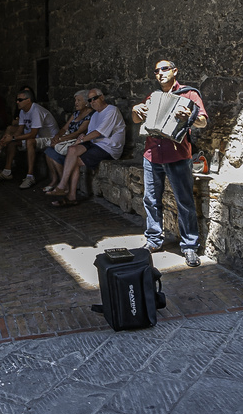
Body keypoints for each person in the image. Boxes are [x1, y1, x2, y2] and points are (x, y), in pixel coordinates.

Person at [132, 59, 208, 267]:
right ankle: (154, 240)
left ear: (175, 71)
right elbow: (137, 120)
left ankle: (190, 246)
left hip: (178, 155)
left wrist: (190, 117)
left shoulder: (190, 94)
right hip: (152, 154)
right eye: (157, 71)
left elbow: (203, 121)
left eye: (165, 69)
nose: (160, 73)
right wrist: (136, 109)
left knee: (184, 201)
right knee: (151, 199)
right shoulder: (152, 97)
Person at [48, 88, 125, 206]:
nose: (92, 102)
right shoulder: (95, 115)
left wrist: (82, 139)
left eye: (94, 98)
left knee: (76, 161)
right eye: (90, 100)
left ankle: (69, 193)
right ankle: (63, 187)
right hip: (95, 143)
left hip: (109, 147)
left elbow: (98, 133)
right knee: (72, 150)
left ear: (102, 97)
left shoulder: (111, 110)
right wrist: (81, 138)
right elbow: (90, 134)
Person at [0, 88, 58, 188]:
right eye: (17, 100)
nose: (17, 102)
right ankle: (7, 172)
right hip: (38, 137)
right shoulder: (22, 111)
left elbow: (33, 134)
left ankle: (30, 177)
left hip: (49, 138)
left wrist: (12, 137)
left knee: (30, 141)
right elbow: (19, 131)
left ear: (28, 100)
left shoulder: (36, 110)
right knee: (12, 142)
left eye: (20, 100)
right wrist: (10, 138)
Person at [42, 90, 92, 193]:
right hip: (66, 140)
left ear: (86, 102)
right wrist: (57, 136)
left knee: (53, 155)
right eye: (75, 100)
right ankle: (55, 180)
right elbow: (64, 128)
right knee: (48, 152)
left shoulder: (90, 115)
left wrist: (60, 140)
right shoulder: (76, 113)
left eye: (79, 100)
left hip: (77, 141)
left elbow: (78, 133)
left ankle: (64, 185)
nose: (76, 103)